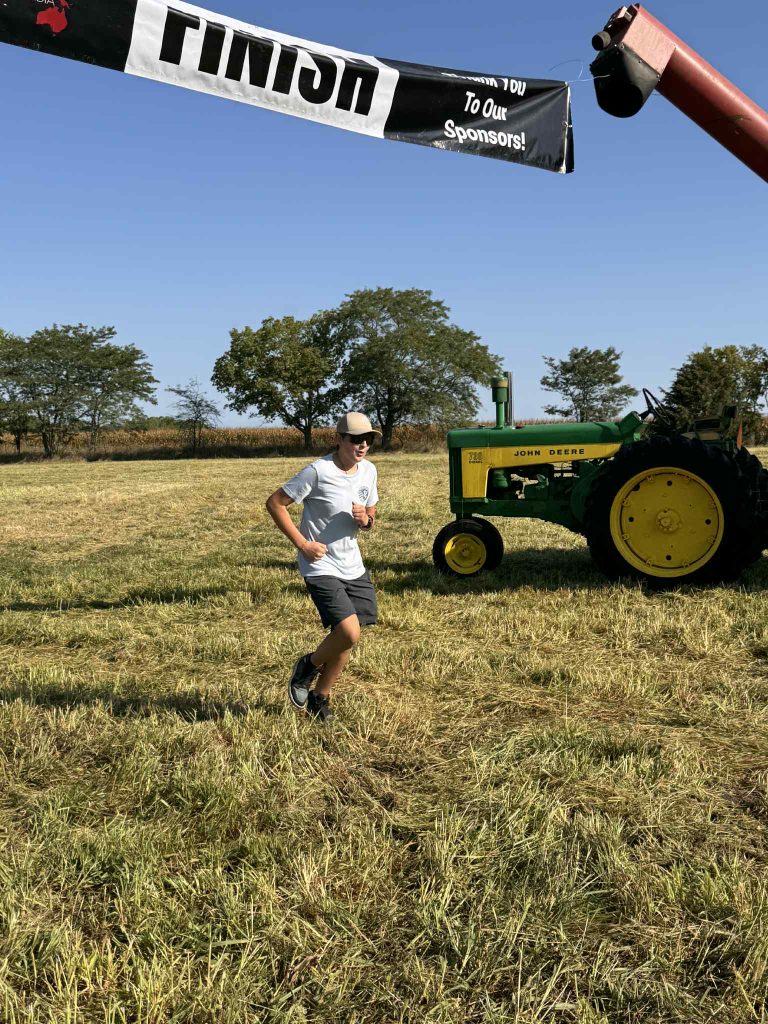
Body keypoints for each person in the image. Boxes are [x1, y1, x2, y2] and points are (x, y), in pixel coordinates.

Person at [265, 412, 380, 723]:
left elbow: (371, 512)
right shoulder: (318, 471)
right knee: (348, 632)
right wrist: (303, 544)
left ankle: (320, 697)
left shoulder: (368, 471)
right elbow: (275, 503)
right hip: (320, 564)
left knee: (344, 637)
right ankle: (306, 667)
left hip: (352, 564)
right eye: (356, 439)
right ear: (339, 439)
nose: (363, 445)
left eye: (368, 439)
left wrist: (365, 521)